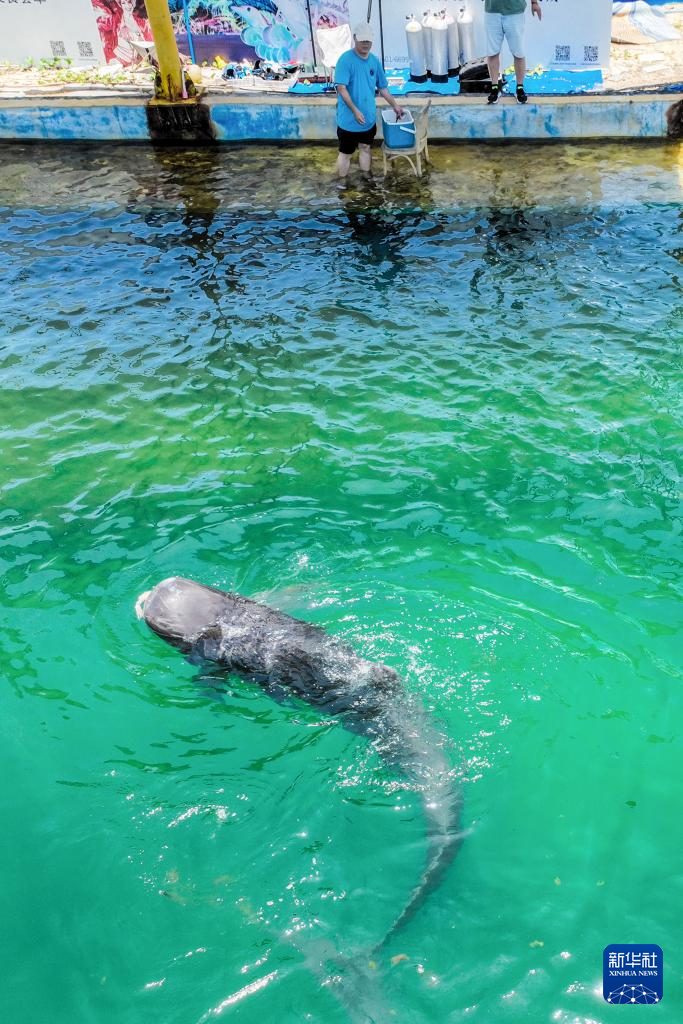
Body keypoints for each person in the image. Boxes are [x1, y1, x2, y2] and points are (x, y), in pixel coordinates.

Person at [334, 22, 405, 179]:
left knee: (365, 147)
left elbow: (383, 87)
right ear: (354, 39)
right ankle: (342, 184)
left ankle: (367, 180)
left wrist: (395, 105)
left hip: (368, 118)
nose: (365, 44)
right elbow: (341, 88)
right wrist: (354, 110)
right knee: (346, 153)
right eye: (362, 40)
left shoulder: (374, 61)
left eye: (368, 40)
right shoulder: (345, 61)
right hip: (349, 120)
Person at [485, 0, 542, 105]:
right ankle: (494, 88)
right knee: (493, 52)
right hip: (492, 12)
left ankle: (520, 88)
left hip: (515, 12)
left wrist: (534, 2)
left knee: (519, 53)